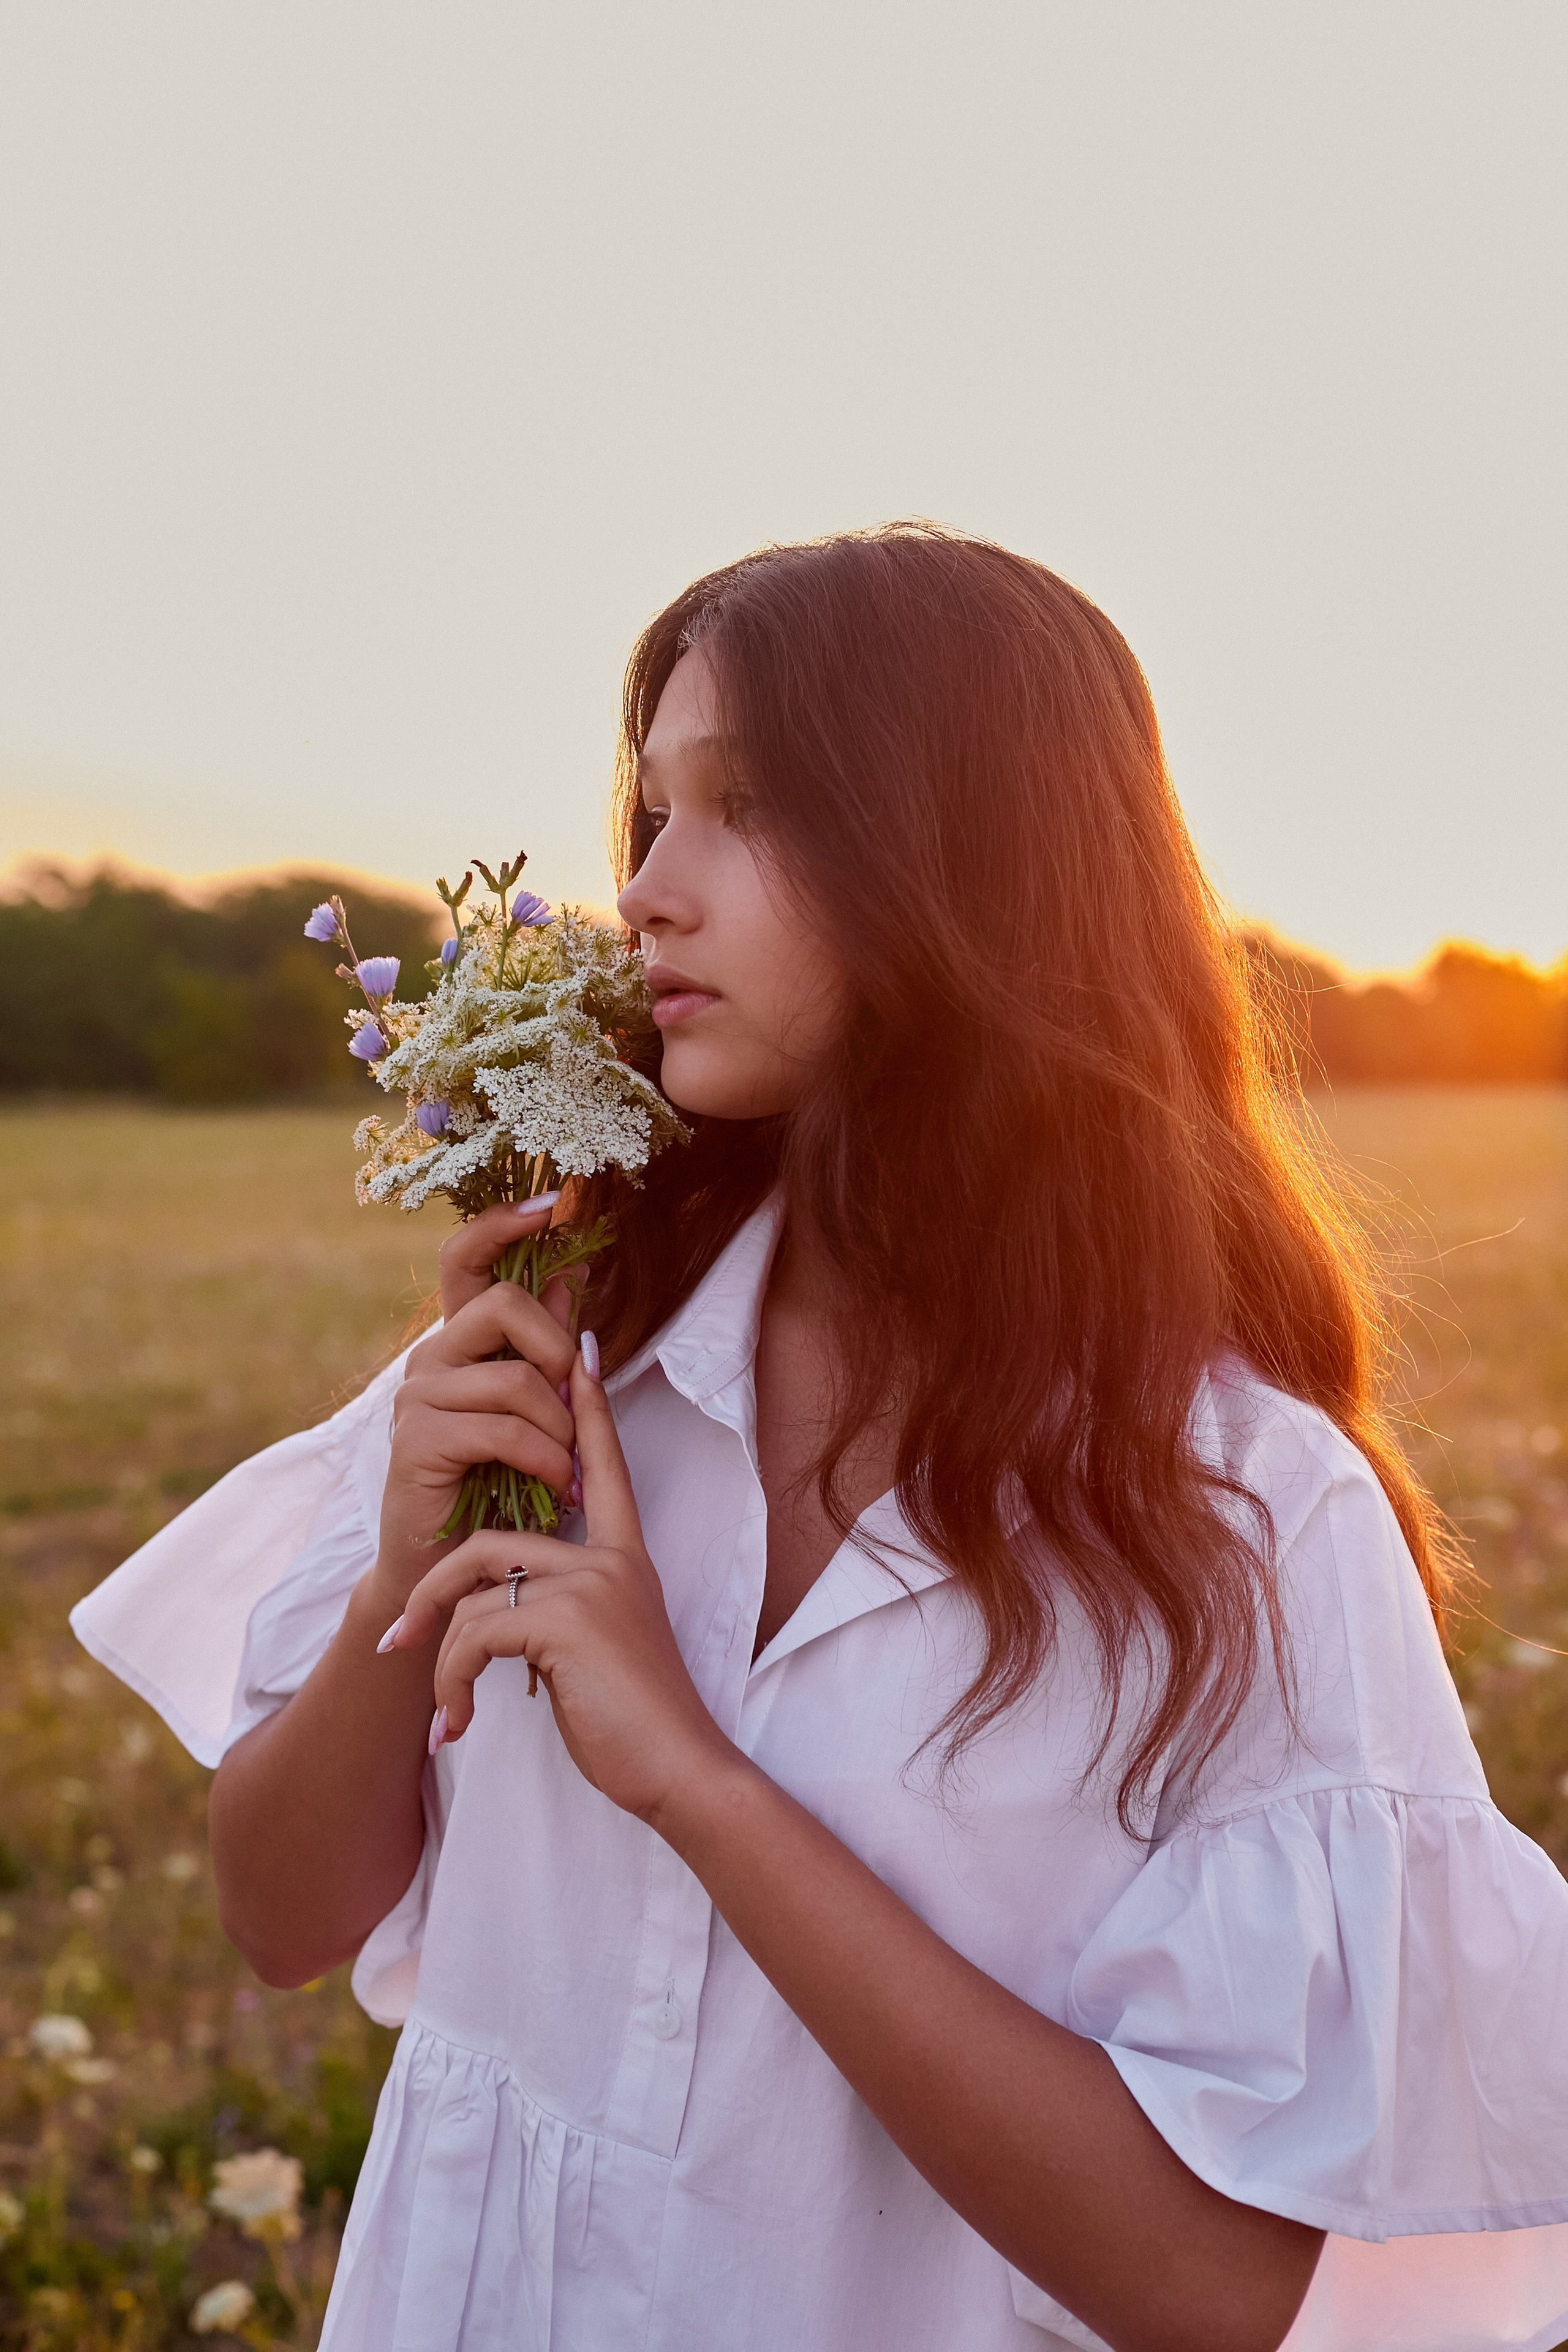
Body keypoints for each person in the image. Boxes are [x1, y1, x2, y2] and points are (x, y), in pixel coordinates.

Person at [75, 525, 1568, 2352]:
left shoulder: (1242, 1514)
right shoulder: (567, 1360)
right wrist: (405, 1571)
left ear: (981, 868)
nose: (644, 892)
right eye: (653, 814)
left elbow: (1222, 2292)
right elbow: (277, 1915)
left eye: (749, 808)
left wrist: (701, 1785)